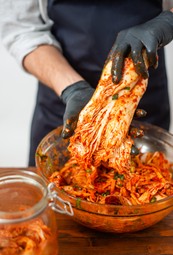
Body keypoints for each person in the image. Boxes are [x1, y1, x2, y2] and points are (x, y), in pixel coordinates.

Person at [0, 0, 173, 166]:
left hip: (143, 93)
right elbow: (20, 29)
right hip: (61, 95)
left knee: (152, 174)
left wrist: (168, 21)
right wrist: (72, 89)